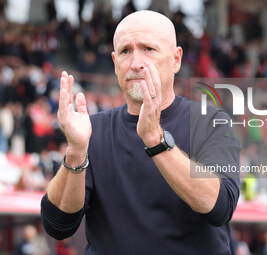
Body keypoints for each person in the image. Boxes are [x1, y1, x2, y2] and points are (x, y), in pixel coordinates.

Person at [41, 10, 241, 254]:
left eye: (148, 49)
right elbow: (58, 225)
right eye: (126, 51)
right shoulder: (93, 130)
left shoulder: (211, 122)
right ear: (115, 63)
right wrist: (76, 152)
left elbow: (219, 207)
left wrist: (156, 140)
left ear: (176, 59)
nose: (136, 63)